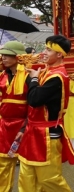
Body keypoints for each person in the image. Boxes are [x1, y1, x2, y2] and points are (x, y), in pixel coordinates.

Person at [18, 35, 74, 191]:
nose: (44, 52)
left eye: (48, 50)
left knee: (49, 180)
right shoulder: (46, 71)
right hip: (33, 132)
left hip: (47, 134)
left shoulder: (57, 76)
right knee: (27, 178)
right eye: (45, 48)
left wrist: (33, 80)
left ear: (59, 54)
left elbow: (34, 99)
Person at [0, 41, 31, 192]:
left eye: (7, 55)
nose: (3, 58)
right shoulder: (1, 76)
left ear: (18, 57)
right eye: (3, 55)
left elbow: (33, 106)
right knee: (2, 165)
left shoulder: (28, 77)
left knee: (27, 169)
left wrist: (25, 127)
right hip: (4, 126)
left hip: (24, 126)